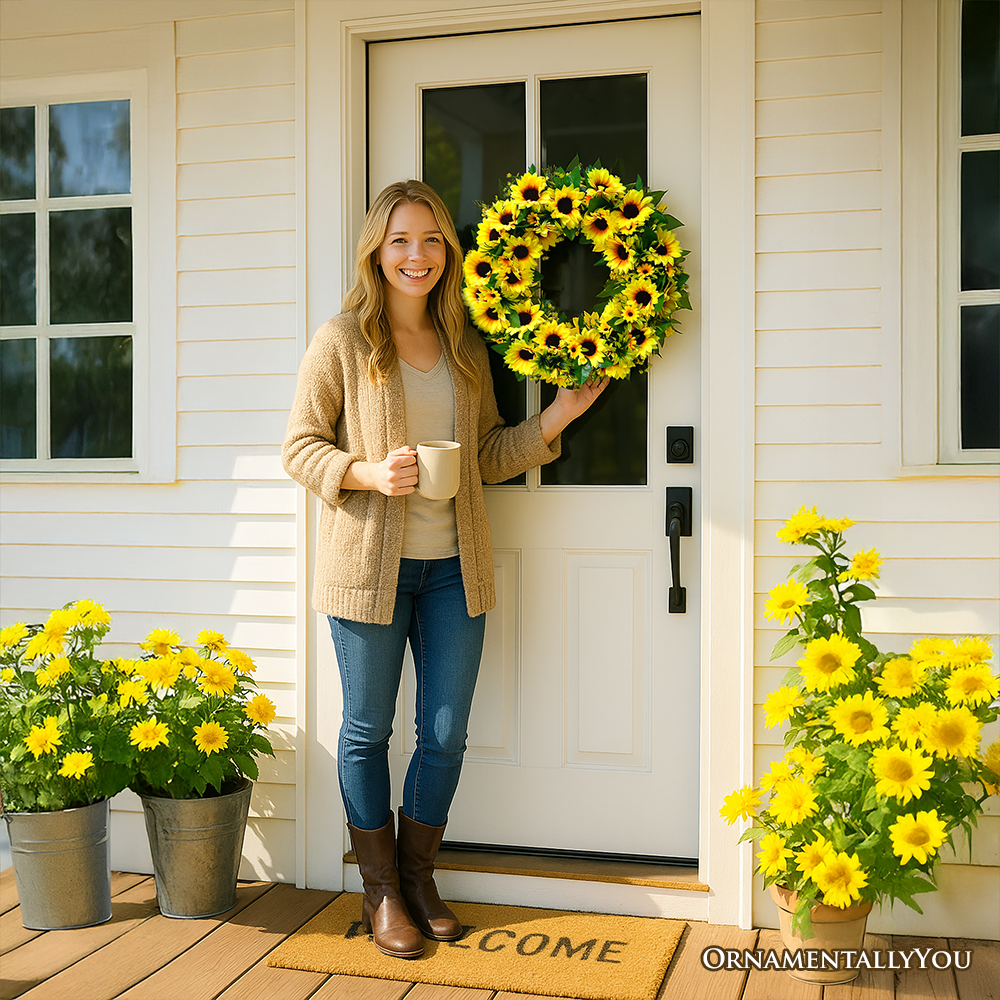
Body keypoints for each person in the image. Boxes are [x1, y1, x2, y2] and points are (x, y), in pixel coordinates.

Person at [281, 179, 606, 959]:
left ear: (447, 254)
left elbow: (489, 454)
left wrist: (558, 415)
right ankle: (381, 889)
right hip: (369, 572)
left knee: (446, 732)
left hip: (456, 569)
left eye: (430, 241)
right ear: (376, 251)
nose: (416, 256)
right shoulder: (343, 342)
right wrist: (364, 474)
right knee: (366, 731)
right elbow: (298, 447)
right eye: (400, 241)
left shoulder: (464, 349)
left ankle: (421, 876)